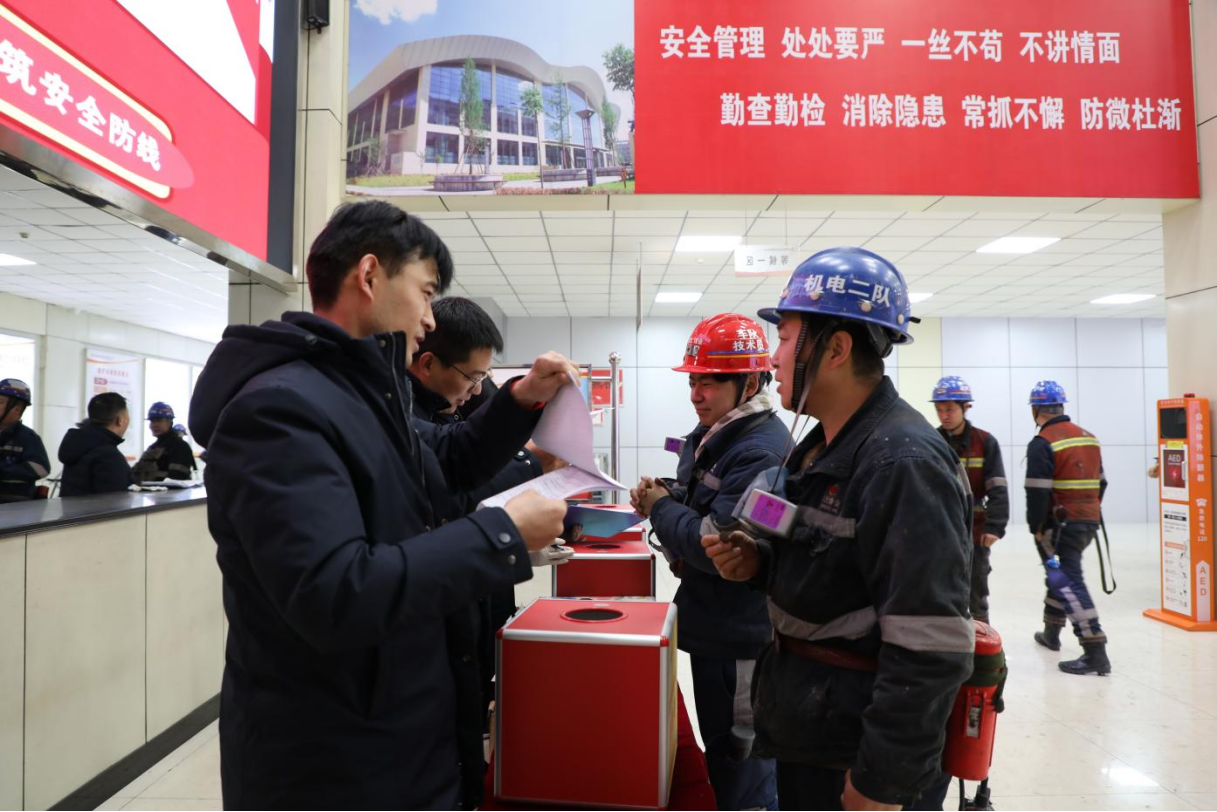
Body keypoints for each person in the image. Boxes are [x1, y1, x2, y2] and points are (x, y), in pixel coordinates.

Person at [188, 200, 575, 810]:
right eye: (426, 292)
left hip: (398, 724)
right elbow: (333, 592)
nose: (429, 316)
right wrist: (501, 533)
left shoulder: (361, 395)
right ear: (369, 275)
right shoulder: (278, 409)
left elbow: (446, 465)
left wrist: (522, 397)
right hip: (333, 757)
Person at [702, 247, 974, 811]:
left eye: (785, 338)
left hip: (856, 758)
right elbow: (832, 565)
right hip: (813, 731)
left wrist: (881, 780)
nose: (774, 357)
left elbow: (930, 642)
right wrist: (759, 562)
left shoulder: (902, 462)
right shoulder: (823, 445)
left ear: (836, 349)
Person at [631, 313, 787, 811]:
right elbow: (706, 503)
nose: (696, 394)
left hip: (741, 638)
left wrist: (661, 507)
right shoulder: (720, 433)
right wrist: (669, 493)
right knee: (723, 751)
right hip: (717, 626)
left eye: (710, 382)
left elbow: (714, 542)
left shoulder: (760, 451)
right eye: (692, 381)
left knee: (743, 761)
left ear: (751, 383)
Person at [1025, 380, 1111, 676]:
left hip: (1060, 525)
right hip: (1088, 521)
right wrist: (1089, 511)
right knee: (1058, 572)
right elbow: (1102, 482)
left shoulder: (1043, 442)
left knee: (1067, 580)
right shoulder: (1089, 438)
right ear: (1061, 406)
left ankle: (1094, 649)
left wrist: (1036, 526)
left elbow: (1037, 491)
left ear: (1036, 410)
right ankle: (1051, 633)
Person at [931, 376, 1009, 623]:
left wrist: (995, 526)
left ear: (965, 407)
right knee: (939, 586)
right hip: (940, 527)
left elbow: (997, 487)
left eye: (950, 409)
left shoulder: (984, 442)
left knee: (976, 589)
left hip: (975, 529)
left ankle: (981, 637)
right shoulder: (931, 440)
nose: (944, 415)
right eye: (939, 409)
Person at [59, 392, 134, 497]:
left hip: (70, 508)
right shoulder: (109, 456)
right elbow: (116, 502)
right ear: (120, 420)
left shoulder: (77, 444)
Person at [0, 378, 49, 503]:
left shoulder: (27, 437)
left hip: (15, 504)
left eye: (0, 402)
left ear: (17, 410)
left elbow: (41, 468)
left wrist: (4, 471)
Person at [132, 402, 197, 482]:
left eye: (159, 420)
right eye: (152, 421)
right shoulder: (152, 448)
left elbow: (177, 480)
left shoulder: (180, 447)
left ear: (170, 422)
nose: (155, 425)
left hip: (169, 490)